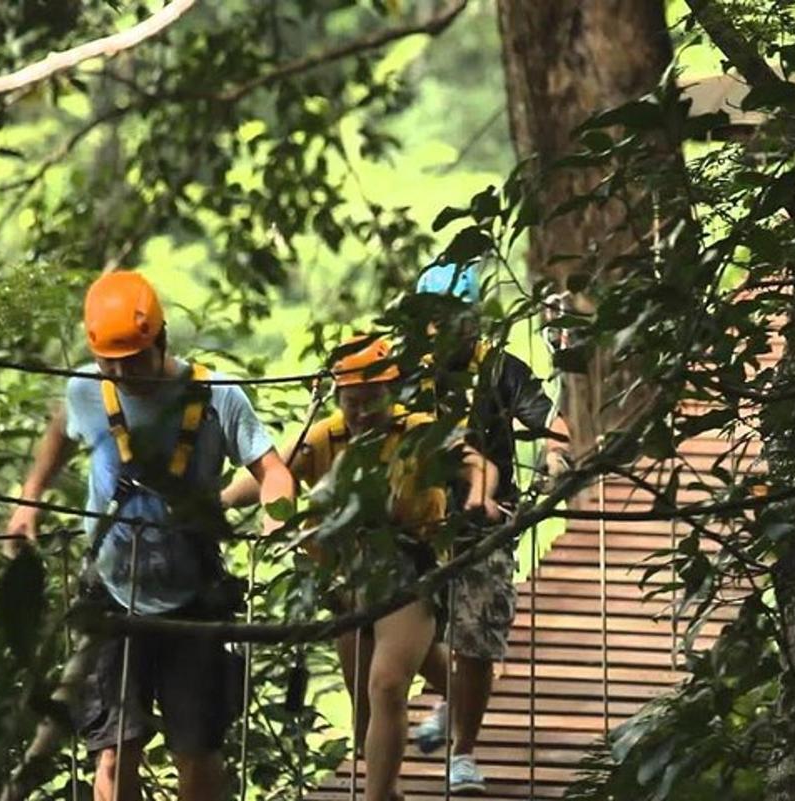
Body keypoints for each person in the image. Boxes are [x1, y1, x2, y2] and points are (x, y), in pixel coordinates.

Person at [4, 271, 295, 801]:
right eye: (107, 361)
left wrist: (277, 513)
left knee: (198, 749)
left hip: (193, 598)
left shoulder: (216, 396)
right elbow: (59, 430)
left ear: (160, 340)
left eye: (132, 359)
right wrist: (30, 500)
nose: (119, 372)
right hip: (111, 596)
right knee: (113, 750)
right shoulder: (88, 390)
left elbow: (273, 470)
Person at [221, 335, 499, 801]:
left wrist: (479, 495)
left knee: (387, 684)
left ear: (392, 392)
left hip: (409, 571)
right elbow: (272, 472)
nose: (364, 412)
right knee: (364, 709)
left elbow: (475, 463)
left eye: (373, 400)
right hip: (346, 578)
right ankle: (442, 715)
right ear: (338, 399)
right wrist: (219, 505)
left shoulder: (419, 431)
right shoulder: (324, 436)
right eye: (354, 402)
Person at [410, 260, 572, 794]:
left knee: (475, 641)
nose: (438, 330)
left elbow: (551, 420)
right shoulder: (408, 376)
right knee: (415, 637)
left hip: (485, 526)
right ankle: (452, 702)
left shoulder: (501, 370)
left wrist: (555, 453)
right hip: (418, 526)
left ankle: (463, 752)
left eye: (450, 318)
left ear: (472, 320)